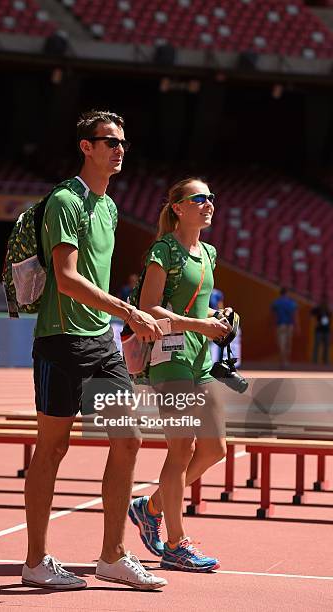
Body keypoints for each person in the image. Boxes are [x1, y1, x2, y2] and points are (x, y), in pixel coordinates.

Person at [23, 110, 167, 591]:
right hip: (60, 340)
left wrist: (116, 320)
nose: (118, 148)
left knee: (128, 440)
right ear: (86, 147)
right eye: (108, 141)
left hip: (101, 341)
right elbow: (65, 279)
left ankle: (113, 556)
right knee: (54, 448)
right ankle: (36, 561)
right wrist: (128, 312)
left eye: (122, 141)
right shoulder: (66, 200)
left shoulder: (108, 206)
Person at [127, 177, 231, 572]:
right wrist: (200, 325)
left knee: (215, 448)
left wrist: (216, 319)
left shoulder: (209, 252)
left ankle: (150, 506)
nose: (208, 204)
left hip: (199, 359)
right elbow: (150, 307)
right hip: (169, 360)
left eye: (211, 198)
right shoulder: (163, 250)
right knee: (182, 449)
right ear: (178, 208)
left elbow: (196, 307)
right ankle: (175, 543)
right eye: (199, 198)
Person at [271, 288, 299, 368]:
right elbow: (295, 315)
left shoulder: (276, 302)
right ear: (287, 293)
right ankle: (286, 361)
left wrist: (273, 325)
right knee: (288, 344)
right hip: (290, 325)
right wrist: (297, 326)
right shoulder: (292, 303)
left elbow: (274, 315)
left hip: (280, 325)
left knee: (281, 343)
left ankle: (283, 361)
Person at [311, 297, 331, 365]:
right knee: (316, 346)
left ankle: (325, 361)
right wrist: (315, 322)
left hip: (326, 330)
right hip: (318, 330)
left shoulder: (328, 309)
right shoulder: (318, 308)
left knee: (326, 347)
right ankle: (314, 361)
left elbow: (329, 320)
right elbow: (311, 313)